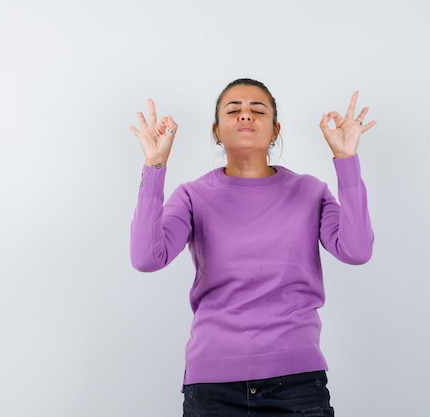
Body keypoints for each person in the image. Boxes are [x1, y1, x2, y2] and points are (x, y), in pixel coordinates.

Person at [129, 78, 376, 417]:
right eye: (234, 110)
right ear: (217, 131)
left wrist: (346, 160)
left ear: (275, 131)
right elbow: (146, 258)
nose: (246, 116)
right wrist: (154, 166)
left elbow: (357, 250)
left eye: (257, 110)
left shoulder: (311, 192)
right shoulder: (191, 195)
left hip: (297, 383)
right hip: (213, 386)